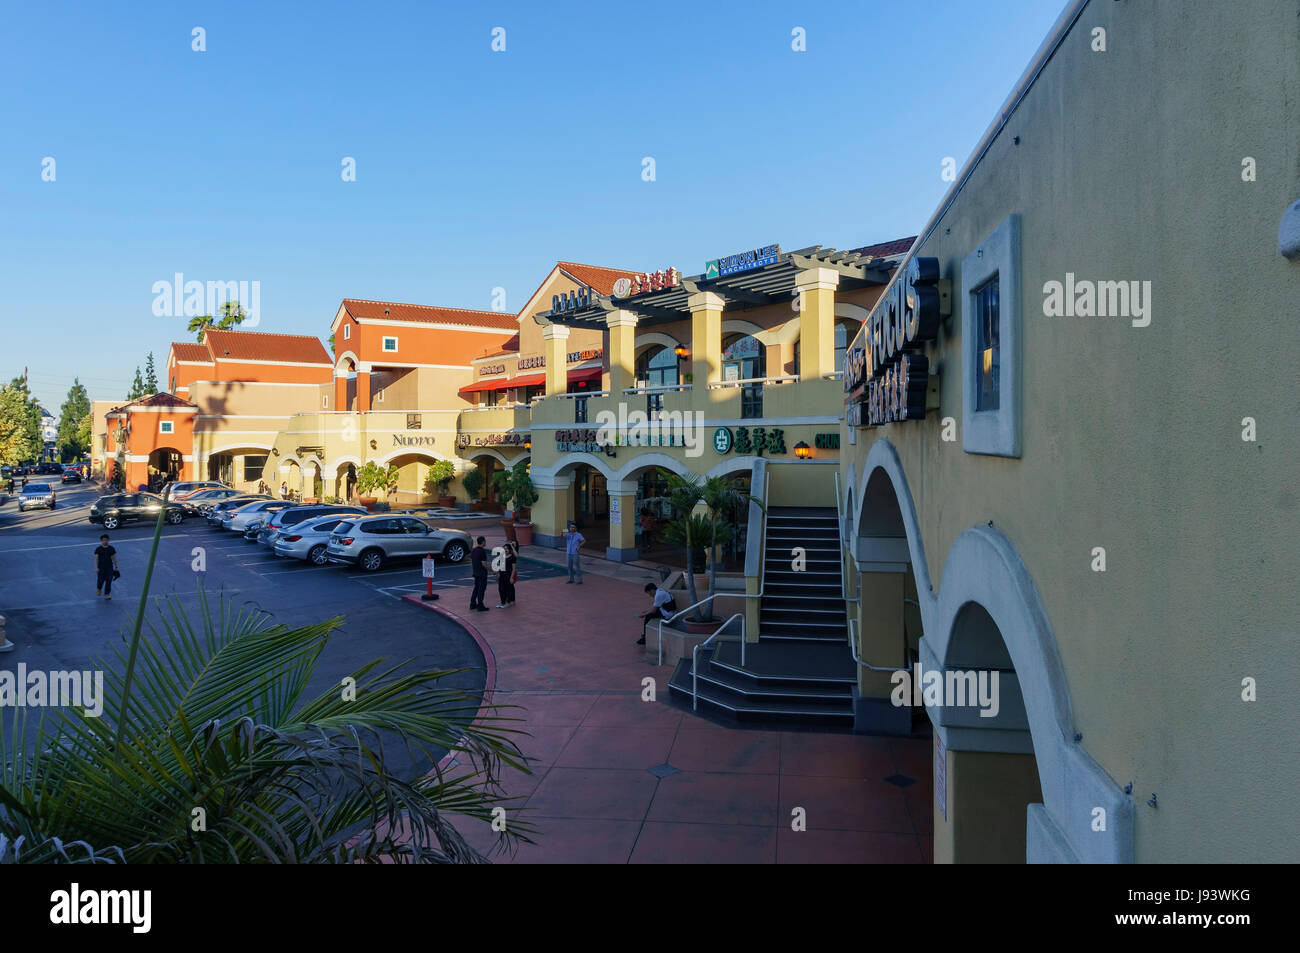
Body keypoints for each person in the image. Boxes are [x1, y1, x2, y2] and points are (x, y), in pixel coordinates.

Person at [94, 534, 120, 601]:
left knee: (109, 581)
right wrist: (96, 567)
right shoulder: (98, 549)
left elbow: (114, 558)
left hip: (109, 568)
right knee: (100, 580)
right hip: (101, 568)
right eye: (103, 540)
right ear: (101, 541)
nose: (105, 541)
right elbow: (96, 559)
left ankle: (107, 594)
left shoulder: (111, 548)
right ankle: (99, 589)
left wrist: (116, 567)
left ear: (108, 540)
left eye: (106, 540)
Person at [469, 536, 490, 612]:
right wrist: (492, 570)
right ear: (483, 542)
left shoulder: (474, 550)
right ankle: (480, 605)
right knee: (481, 590)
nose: (485, 543)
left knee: (476, 588)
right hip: (482, 574)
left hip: (476, 573)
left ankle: (472, 604)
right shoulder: (482, 551)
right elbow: (484, 564)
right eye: (485, 541)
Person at [495, 539, 518, 608]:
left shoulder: (512, 557)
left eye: (507, 549)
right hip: (502, 575)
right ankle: (502, 602)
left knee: (508, 589)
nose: (505, 550)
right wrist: (497, 574)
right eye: (504, 549)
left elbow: (513, 568)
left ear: (509, 550)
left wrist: (511, 577)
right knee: (501, 589)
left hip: (508, 575)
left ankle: (508, 602)